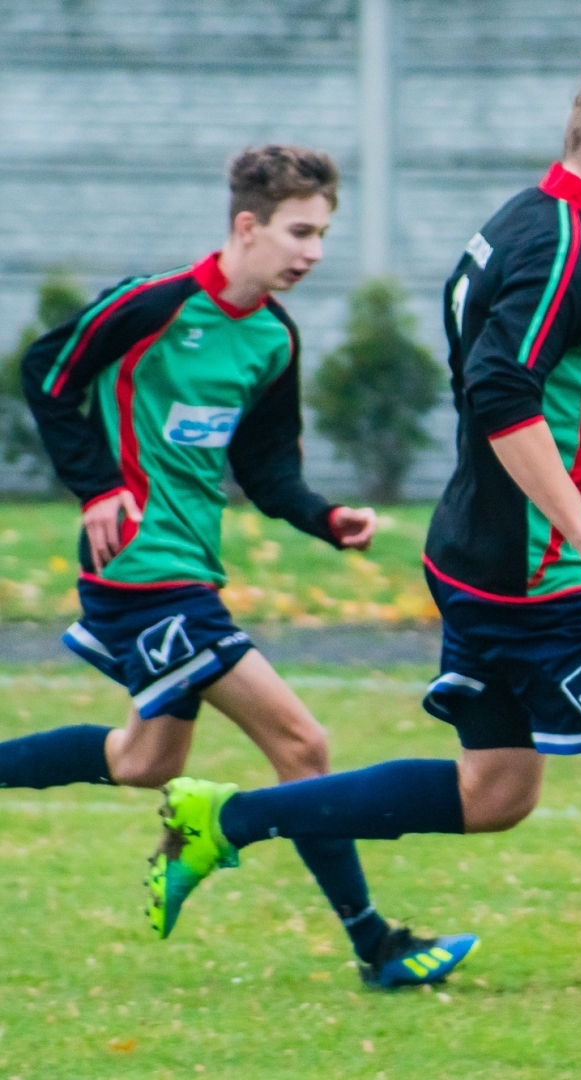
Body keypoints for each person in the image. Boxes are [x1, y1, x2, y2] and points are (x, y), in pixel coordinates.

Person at [146, 57, 581, 1060]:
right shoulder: (574, 250)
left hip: (478, 555)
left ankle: (228, 819)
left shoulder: (515, 220)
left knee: (497, 793)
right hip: (533, 579)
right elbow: (499, 394)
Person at [14, 145, 475, 988]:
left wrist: (325, 518)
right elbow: (46, 371)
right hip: (141, 574)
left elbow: (266, 471)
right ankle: (376, 946)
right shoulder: (151, 307)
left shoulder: (271, 337)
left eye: (323, 235)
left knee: (143, 762)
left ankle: (209, 833)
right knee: (303, 742)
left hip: (190, 571)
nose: (313, 253)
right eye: (299, 232)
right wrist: (96, 488)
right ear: (246, 225)